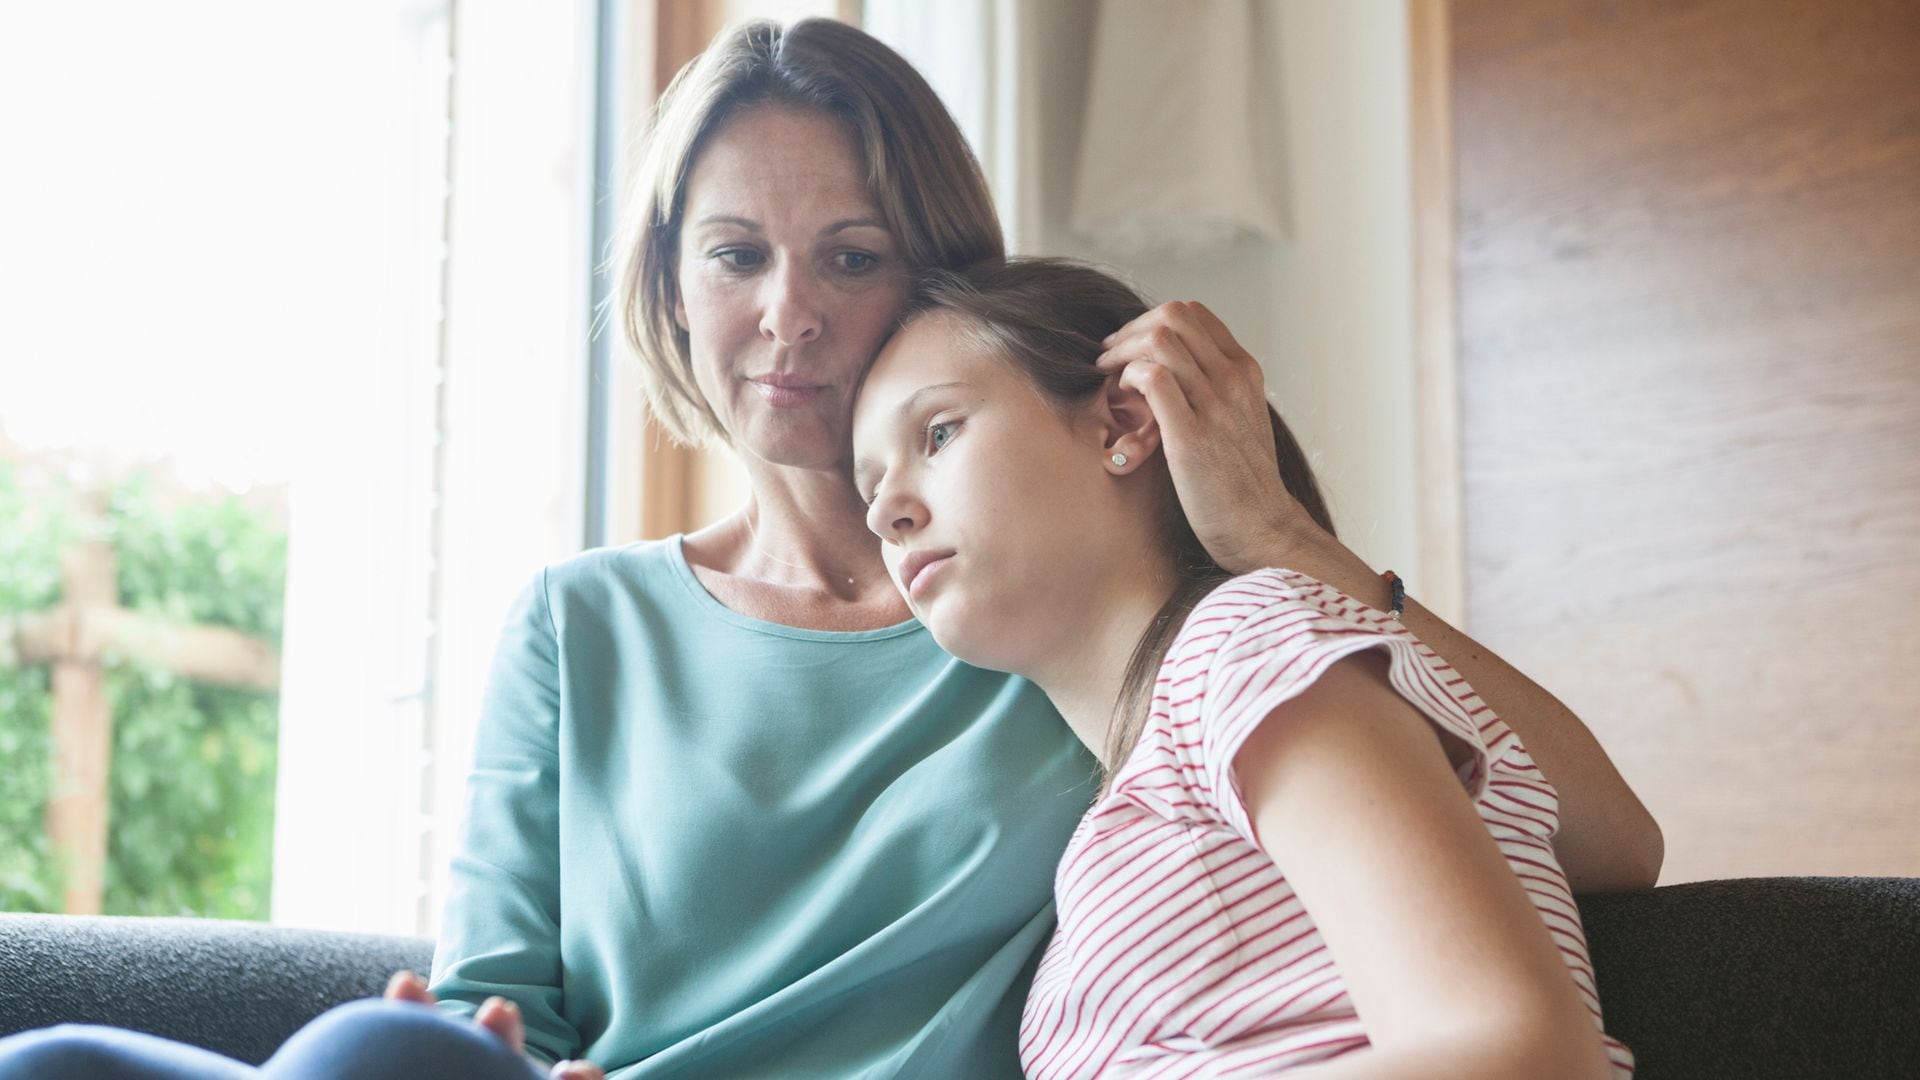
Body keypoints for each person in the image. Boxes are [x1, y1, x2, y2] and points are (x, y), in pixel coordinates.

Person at [0, 17, 1657, 1080]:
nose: (787, 317)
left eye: (851, 255)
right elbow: (508, 1005)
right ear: (671, 286)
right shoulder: (583, 628)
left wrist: (1281, 534)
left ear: (936, 278)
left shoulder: (1053, 617)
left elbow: (1581, 839)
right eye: (734, 255)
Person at [848, 257, 1638, 1078]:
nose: (886, 511)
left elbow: (1524, 1055)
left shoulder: (1245, 650)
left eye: (937, 434)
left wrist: (1281, 535)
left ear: (1121, 422)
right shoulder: (1173, 759)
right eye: (869, 488)